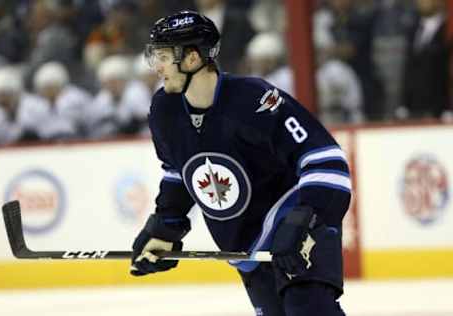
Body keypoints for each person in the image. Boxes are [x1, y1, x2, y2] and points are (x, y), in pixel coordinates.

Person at [130, 11, 351, 316]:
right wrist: (166, 225)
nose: (157, 66)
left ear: (192, 59)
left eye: (164, 57)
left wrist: (304, 218)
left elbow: (326, 160)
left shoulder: (254, 100)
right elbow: (179, 173)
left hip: (296, 228)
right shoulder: (164, 111)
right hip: (246, 248)